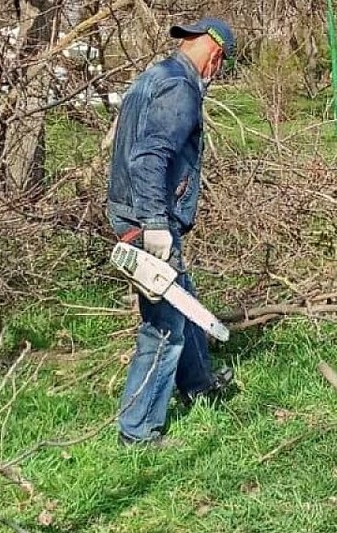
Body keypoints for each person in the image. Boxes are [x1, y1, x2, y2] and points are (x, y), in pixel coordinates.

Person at [107, 17, 238, 447]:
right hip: (147, 218)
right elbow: (148, 158)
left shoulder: (153, 76)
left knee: (183, 300)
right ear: (215, 55)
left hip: (131, 209)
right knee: (163, 328)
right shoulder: (180, 88)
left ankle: (200, 385)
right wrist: (156, 224)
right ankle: (138, 430)